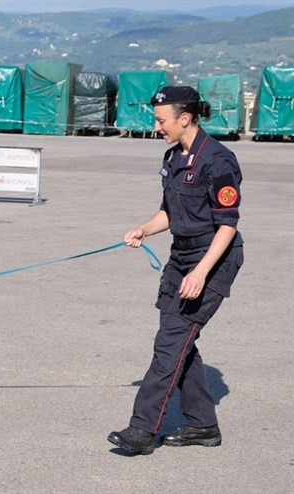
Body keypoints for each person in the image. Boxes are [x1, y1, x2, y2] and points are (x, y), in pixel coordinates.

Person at [107, 86, 244, 455]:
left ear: (184, 118)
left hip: (213, 259)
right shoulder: (173, 157)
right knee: (180, 341)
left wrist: (200, 273)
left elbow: (227, 225)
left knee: (169, 345)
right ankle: (202, 424)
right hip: (180, 257)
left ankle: (142, 430)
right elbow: (169, 212)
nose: (157, 127)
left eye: (161, 120)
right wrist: (143, 229)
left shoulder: (217, 160)